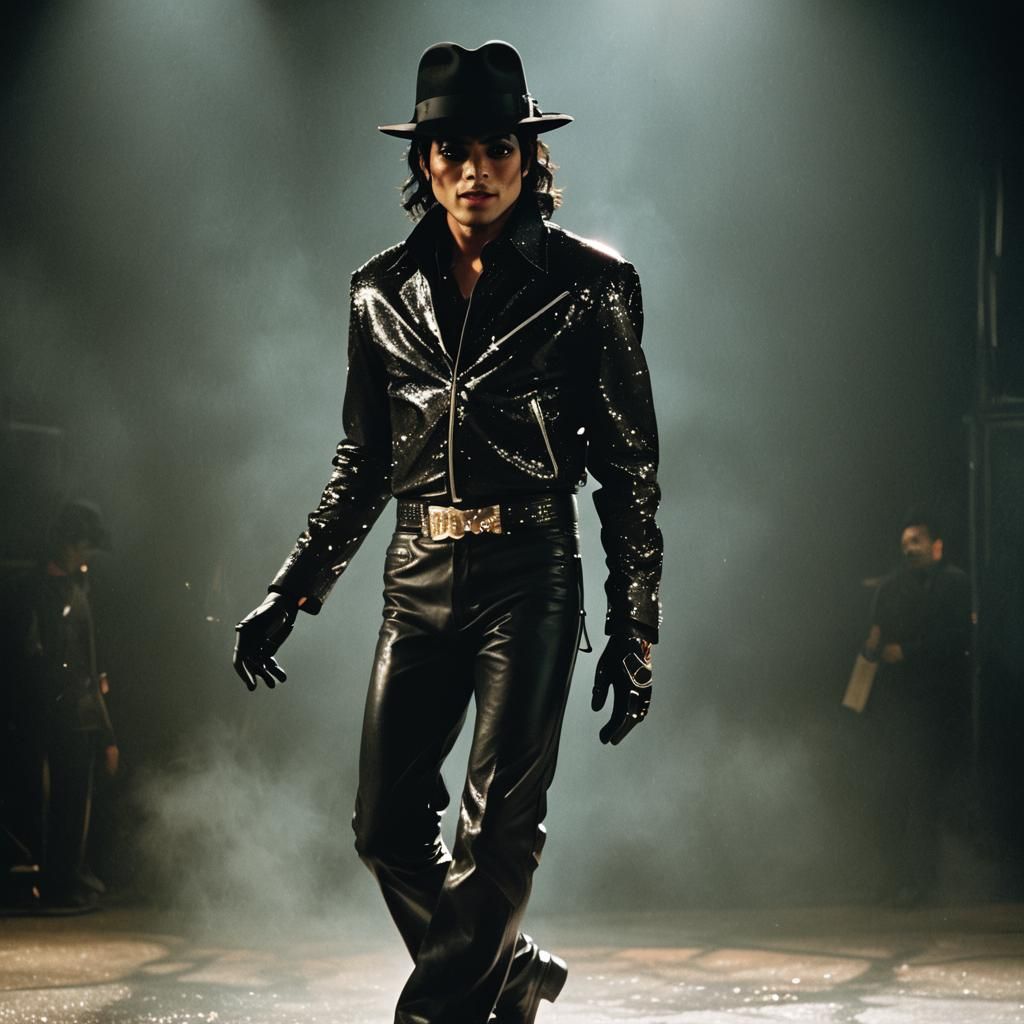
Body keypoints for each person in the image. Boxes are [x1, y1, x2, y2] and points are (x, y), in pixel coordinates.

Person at [234, 40, 662, 1024]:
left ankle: (435, 1015)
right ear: (424, 164)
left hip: (530, 574)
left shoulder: (589, 285)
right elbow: (362, 463)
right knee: (384, 827)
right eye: (453, 150)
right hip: (416, 572)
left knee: (497, 831)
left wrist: (635, 628)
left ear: (529, 157)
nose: (476, 170)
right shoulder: (377, 290)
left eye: (498, 148)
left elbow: (630, 473)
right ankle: (506, 974)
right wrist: (292, 588)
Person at [0, 499, 118, 907]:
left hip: (76, 714)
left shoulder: (80, 590)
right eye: (83, 547)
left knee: (73, 798)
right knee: (38, 798)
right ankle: (41, 879)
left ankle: (66, 880)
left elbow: (90, 661)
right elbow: (21, 656)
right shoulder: (25, 590)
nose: (87, 557)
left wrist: (105, 731)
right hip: (36, 713)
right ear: (68, 544)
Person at [861, 508, 972, 907]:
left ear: (936, 546)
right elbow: (873, 636)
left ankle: (919, 883)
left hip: (936, 703)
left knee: (922, 794)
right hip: (898, 706)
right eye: (905, 543)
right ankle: (892, 880)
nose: (909, 549)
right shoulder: (891, 587)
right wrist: (873, 647)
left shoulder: (955, 583)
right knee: (892, 794)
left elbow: (957, 638)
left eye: (917, 541)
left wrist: (907, 652)